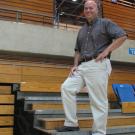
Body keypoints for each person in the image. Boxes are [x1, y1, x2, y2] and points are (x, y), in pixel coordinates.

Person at [56, 0, 127, 135]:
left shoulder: (106, 23)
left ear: (97, 9)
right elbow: (77, 50)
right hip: (82, 65)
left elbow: (122, 36)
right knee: (66, 87)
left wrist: (106, 51)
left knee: (98, 100)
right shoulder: (82, 30)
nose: (88, 10)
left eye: (91, 8)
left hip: (98, 64)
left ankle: (99, 132)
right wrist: (75, 65)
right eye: (86, 8)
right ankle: (71, 123)